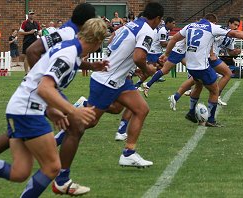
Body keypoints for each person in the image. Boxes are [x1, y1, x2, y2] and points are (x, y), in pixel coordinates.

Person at [52, 2, 164, 195]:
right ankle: (51, 144)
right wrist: (147, 70)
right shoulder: (147, 30)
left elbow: (117, 44)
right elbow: (138, 57)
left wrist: (133, 69)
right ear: (158, 19)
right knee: (88, 122)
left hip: (118, 79)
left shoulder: (131, 24)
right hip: (108, 80)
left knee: (140, 109)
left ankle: (129, 153)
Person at [0, 18, 106, 197]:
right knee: (52, 167)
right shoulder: (68, 54)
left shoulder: (72, 50)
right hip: (28, 110)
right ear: (98, 42)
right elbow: (44, 87)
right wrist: (73, 110)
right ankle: (62, 182)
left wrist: (53, 109)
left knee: (19, 172)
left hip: (20, 107)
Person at [160, 13, 243, 127]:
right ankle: (211, 120)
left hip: (191, 64)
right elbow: (235, 33)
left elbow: (174, 38)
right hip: (202, 64)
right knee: (215, 89)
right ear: (213, 22)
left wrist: (166, 54)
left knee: (198, 84)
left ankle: (190, 111)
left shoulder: (190, 26)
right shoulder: (212, 27)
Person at [135, 17, 176, 95]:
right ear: (168, 23)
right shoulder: (163, 30)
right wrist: (173, 43)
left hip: (157, 52)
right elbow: (163, 43)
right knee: (162, 68)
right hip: (153, 52)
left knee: (163, 68)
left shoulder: (166, 30)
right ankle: (138, 75)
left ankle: (142, 82)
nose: (174, 25)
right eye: (173, 23)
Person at [18, 10, 41, 74]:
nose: (32, 15)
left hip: (35, 42)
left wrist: (39, 33)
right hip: (27, 41)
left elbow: (40, 32)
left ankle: (33, 71)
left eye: (33, 14)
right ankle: (26, 72)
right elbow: (20, 32)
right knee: (26, 57)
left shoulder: (36, 23)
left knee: (35, 56)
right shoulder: (24, 23)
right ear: (28, 15)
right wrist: (29, 32)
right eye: (30, 14)